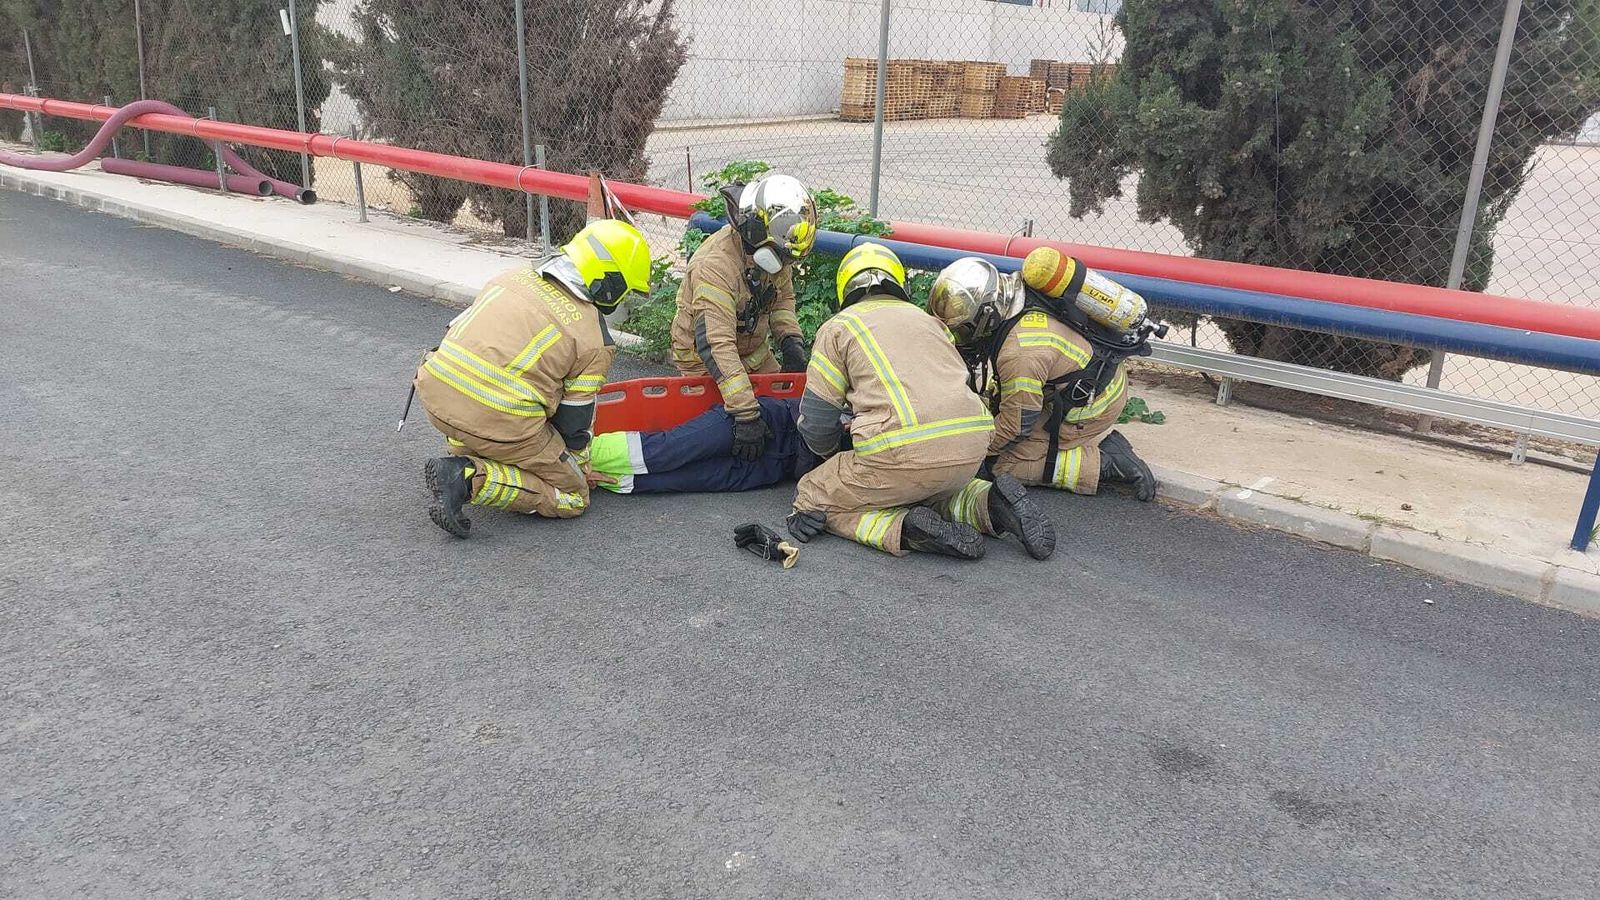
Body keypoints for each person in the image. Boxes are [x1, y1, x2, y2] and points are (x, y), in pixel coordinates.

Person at [785, 243, 1056, 560]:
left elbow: (816, 421)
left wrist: (833, 456)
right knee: (932, 490)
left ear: (845, 288)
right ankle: (992, 505)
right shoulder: (932, 322)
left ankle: (905, 529)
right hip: (970, 450)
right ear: (900, 283)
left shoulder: (839, 328)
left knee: (813, 497)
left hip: (898, 455)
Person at [414, 219, 651, 537]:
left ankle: (468, 453)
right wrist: (577, 469)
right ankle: (468, 476)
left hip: (435, 395)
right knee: (572, 497)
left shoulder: (513, 277)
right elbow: (574, 423)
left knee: (497, 427)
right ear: (609, 282)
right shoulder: (593, 339)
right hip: (496, 420)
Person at [926, 249, 1158, 501]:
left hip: (1092, 407)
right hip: (1086, 379)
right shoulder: (1016, 295)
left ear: (986, 316)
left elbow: (1017, 427)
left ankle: (1107, 462)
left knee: (1002, 466)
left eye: (961, 331)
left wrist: (975, 454)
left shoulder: (1020, 354)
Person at [670, 174, 817, 464]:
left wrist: (791, 342)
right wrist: (746, 415)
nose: (784, 266)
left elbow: (782, 300)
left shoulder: (774, 248)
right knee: (715, 437)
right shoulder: (715, 266)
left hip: (753, 354)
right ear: (755, 232)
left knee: (788, 413)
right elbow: (716, 345)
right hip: (704, 364)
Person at [587, 396, 821, 494]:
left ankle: (585, 476)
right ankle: (578, 455)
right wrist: (748, 416)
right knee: (666, 451)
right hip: (766, 419)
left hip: (777, 467)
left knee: (669, 481)